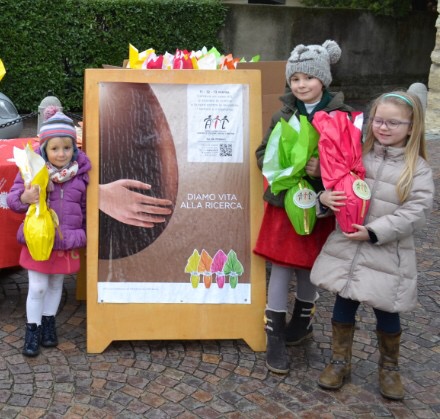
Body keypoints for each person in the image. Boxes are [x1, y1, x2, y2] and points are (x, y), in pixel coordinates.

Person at [311, 90, 434, 400]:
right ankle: (340, 361)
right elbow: (336, 189)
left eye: (394, 122)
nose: (384, 127)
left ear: (411, 127)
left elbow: (416, 212)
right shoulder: (356, 156)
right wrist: (324, 199)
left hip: (387, 254)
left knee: (387, 311)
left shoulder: (417, 168)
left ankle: (389, 367)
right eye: (379, 120)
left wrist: (375, 231)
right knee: (343, 305)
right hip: (349, 249)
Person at [254, 40, 353, 374]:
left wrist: (322, 171)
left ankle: (302, 320)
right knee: (282, 264)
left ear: (323, 79)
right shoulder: (283, 114)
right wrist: (284, 168)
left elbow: (351, 161)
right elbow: (262, 154)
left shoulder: (341, 116)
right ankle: (274, 333)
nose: (301, 85)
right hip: (285, 203)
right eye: (294, 79)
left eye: (308, 77)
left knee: (310, 264)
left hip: (322, 205)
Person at [7, 106, 91, 357]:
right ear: (44, 149)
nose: (61, 153)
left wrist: (84, 232)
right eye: (55, 148)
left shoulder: (80, 175)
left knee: (55, 284)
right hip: (39, 240)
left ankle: (48, 322)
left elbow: (85, 207)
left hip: (65, 240)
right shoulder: (33, 172)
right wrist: (25, 197)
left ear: (74, 148)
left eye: (67, 148)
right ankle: (32, 329)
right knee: (38, 287)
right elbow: (13, 199)